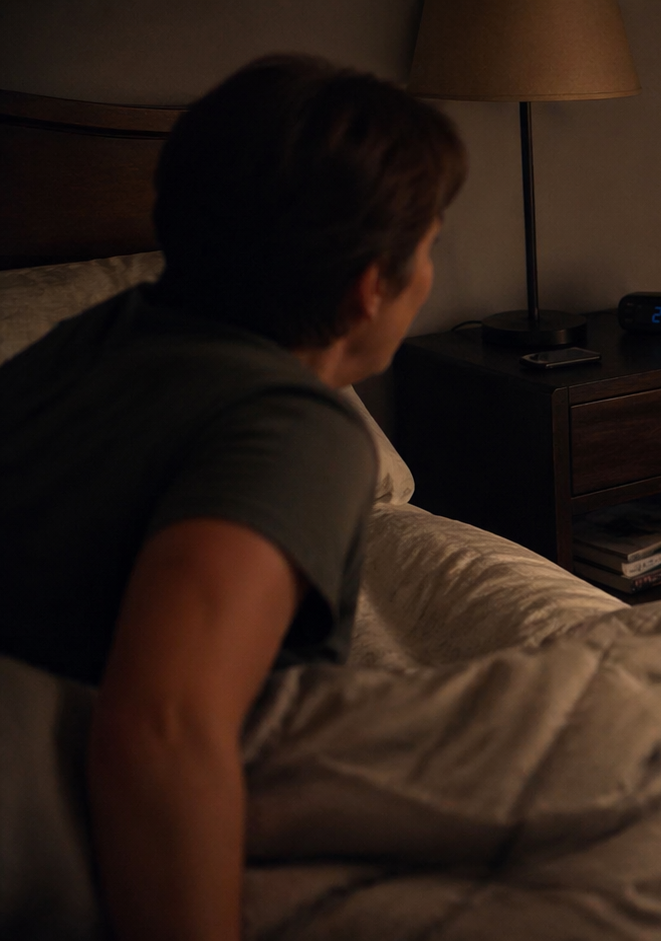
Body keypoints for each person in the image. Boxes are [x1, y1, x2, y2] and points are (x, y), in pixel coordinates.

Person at [0, 55, 466, 941]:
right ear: (371, 287)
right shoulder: (297, 427)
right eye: (432, 245)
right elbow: (166, 729)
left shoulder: (101, 334)